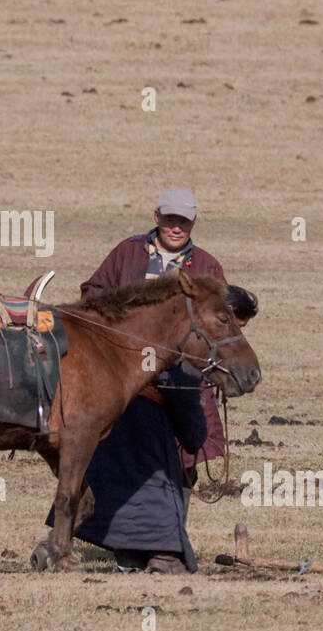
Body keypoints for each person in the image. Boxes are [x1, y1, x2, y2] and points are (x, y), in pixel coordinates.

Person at [69, 187, 252, 573]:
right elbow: (93, 295)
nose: (175, 227)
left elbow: (222, 321)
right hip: (128, 377)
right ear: (156, 217)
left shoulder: (206, 266)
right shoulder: (127, 253)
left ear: (193, 223)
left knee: (181, 461)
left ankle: (167, 544)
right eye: (169, 219)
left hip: (185, 379)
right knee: (122, 461)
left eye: (183, 221)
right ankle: (128, 549)